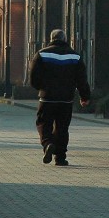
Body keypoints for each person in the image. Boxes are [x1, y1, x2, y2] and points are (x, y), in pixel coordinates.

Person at [28, 28, 91, 166]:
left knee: (43, 123)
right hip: (66, 99)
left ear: (51, 39)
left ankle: (48, 144)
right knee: (62, 127)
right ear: (64, 39)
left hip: (47, 98)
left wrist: (41, 88)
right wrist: (84, 96)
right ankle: (60, 157)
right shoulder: (75, 57)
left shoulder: (41, 54)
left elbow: (33, 76)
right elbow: (82, 79)